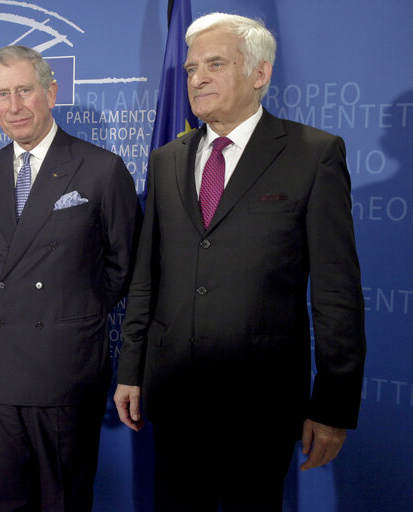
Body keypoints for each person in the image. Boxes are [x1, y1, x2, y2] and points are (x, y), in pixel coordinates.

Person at [114, 12, 366, 511]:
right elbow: (147, 276)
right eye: (189, 69)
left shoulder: (313, 155)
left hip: (260, 403)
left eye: (215, 64)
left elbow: (336, 292)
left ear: (260, 73)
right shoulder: (167, 159)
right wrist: (131, 369)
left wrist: (333, 406)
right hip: (174, 394)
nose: (197, 78)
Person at [0, 45, 141, 511]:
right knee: (7, 502)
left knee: (63, 501)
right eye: (2, 94)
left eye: (24, 90)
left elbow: (124, 264)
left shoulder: (101, 168)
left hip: (64, 367)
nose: (14, 106)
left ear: (51, 92)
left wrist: (74, 311)